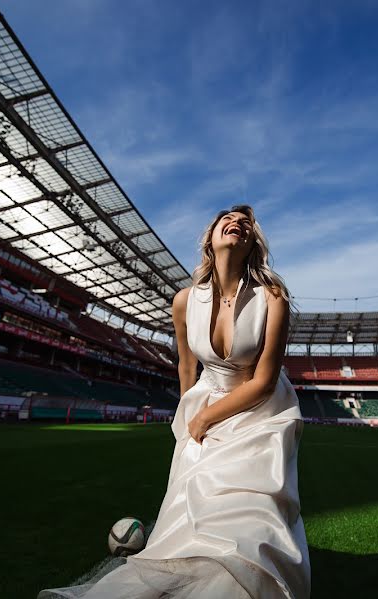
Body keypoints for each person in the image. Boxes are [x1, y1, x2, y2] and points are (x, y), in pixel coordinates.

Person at [39, 205, 310, 598]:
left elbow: (265, 381)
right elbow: (187, 367)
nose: (238, 223)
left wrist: (205, 419)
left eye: (247, 223)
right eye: (228, 219)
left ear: (253, 242)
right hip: (203, 406)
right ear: (210, 237)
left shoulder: (273, 298)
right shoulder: (184, 301)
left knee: (250, 518)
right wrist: (188, 423)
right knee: (191, 516)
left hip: (258, 416)